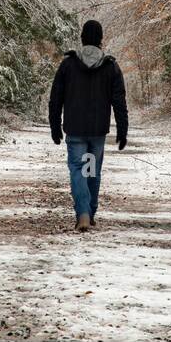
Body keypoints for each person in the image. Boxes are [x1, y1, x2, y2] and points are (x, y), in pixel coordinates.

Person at [48, 20, 128, 232]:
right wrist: (123, 130)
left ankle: (83, 213)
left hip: (75, 131)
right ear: (101, 40)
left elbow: (55, 98)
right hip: (97, 132)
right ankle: (90, 212)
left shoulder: (69, 65)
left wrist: (55, 126)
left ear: (82, 38)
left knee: (77, 169)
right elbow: (119, 101)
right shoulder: (111, 66)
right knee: (92, 170)